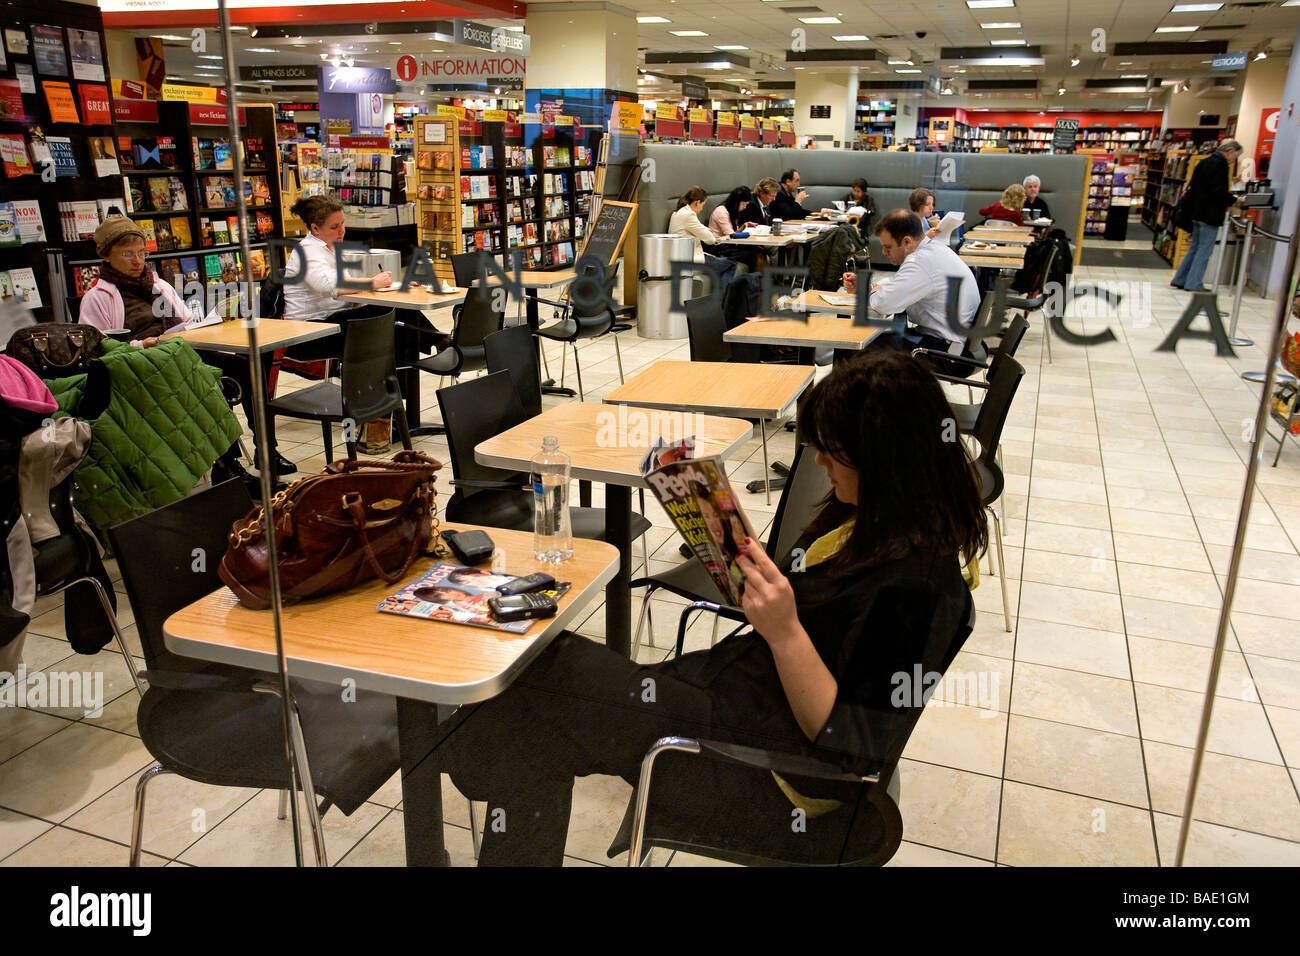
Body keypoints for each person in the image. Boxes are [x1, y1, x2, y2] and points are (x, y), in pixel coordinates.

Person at [422, 348, 986, 865]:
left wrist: (785, 631)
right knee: (535, 700)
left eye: (835, 454)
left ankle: (414, 759)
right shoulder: (876, 520)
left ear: (887, 460)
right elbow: (820, 608)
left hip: (757, 768)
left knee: (543, 674)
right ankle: (437, 758)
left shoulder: (921, 588)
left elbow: (850, 746)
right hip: (734, 699)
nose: (822, 466)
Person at [77, 217, 290, 477]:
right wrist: (141, 345)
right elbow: (98, 348)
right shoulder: (98, 298)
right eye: (127, 254)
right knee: (212, 382)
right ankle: (227, 466)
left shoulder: (159, 285)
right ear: (107, 256)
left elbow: (186, 321)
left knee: (246, 368)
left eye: (141, 253)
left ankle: (266, 450)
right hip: (143, 365)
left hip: (180, 350)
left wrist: (210, 323)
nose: (137, 261)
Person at [841, 209, 981, 355]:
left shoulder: (920, 261)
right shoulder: (935, 249)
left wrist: (870, 290)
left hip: (944, 350)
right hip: (955, 341)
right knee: (871, 339)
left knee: (852, 348)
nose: (883, 252)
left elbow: (882, 304)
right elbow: (901, 287)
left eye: (888, 247)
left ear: (907, 241)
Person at [1172, 140, 1244, 292]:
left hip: (1196, 212)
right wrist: (1235, 200)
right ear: (1230, 151)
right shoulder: (1221, 166)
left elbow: (1196, 187)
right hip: (1210, 214)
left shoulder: (1203, 162)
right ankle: (1194, 283)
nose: (1233, 160)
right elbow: (1218, 192)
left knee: (1195, 247)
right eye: (1235, 156)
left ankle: (1181, 278)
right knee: (1204, 250)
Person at [668, 186, 737, 293]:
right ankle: (725, 303)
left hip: (679, 257)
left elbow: (697, 227)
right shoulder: (689, 214)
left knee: (723, 261)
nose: (702, 209)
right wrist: (710, 233)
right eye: (702, 205)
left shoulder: (679, 212)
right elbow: (710, 239)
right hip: (690, 260)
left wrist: (705, 229)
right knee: (731, 265)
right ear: (697, 202)